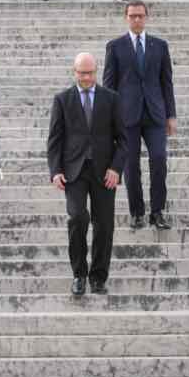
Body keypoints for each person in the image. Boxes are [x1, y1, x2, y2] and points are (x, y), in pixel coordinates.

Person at [47, 52, 127, 296]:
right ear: (74, 72)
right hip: (74, 171)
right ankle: (79, 275)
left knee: (104, 226)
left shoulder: (111, 98)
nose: (87, 77)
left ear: (97, 71)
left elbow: (124, 140)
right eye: (82, 73)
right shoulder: (62, 99)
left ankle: (98, 277)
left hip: (105, 172)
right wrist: (55, 171)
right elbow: (55, 139)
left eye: (91, 72)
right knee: (78, 218)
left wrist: (116, 168)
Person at [103, 0, 177, 231]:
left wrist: (171, 115)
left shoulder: (160, 46)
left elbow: (167, 83)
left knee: (159, 159)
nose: (137, 19)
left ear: (146, 17)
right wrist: (109, 119)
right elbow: (109, 86)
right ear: (126, 17)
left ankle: (157, 212)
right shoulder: (115, 47)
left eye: (140, 16)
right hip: (127, 117)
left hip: (155, 114)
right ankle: (137, 213)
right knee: (131, 165)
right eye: (132, 15)